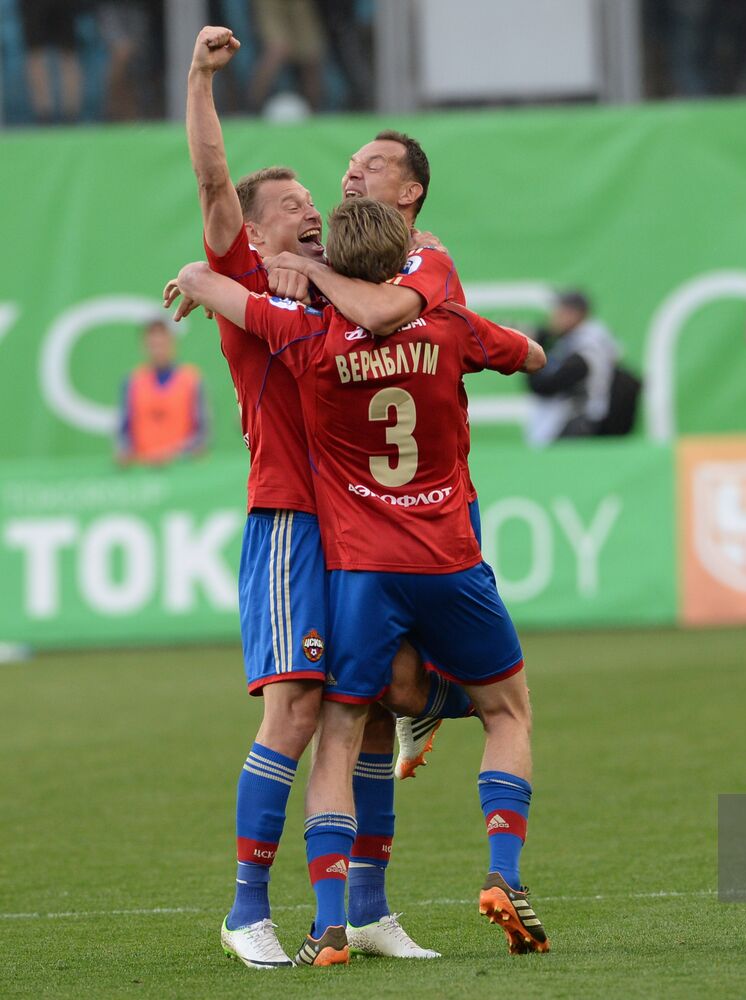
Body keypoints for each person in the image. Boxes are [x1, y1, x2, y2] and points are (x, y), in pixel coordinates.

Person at [175, 195, 550, 966]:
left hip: (361, 570)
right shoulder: (449, 324)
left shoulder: (308, 336)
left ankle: (331, 925)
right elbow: (534, 356)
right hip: (449, 557)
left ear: (337, 262)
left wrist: (215, 274)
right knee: (506, 711)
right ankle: (504, 871)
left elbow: (215, 287)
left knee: (341, 734)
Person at [177, 25, 471, 968]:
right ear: (251, 229)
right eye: (293, 204)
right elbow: (215, 179)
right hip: (293, 522)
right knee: (296, 710)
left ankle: (371, 909)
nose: (314, 209)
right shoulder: (242, 274)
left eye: (318, 198)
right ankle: (244, 909)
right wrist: (198, 81)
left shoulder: (341, 286)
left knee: (379, 700)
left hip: (363, 525)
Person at [260, 128, 477, 779]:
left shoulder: (427, 258)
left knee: (384, 688)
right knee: (364, 694)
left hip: (434, 504)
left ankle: (469, 701)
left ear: (411, 192)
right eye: (350, 165)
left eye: (373, 166)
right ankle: (364, 882)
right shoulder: (341, 262)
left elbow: (381, 314)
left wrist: (310, 270)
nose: (351, 176)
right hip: (355, 505)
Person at [526, 290, 627, 445]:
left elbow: (544, 386)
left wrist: (529, 353)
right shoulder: (588, 339)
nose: (554, 316)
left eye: (560, 310)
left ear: (575, 314)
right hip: (585, 422)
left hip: (579, 425)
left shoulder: (586, 346)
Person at [116, 319, 206, 466]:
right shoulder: (132, 382)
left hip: (181, 471)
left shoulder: (191, 380)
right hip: (144, 473)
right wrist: (125, 453)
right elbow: (123, 431)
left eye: (162, 344)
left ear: (172, 343)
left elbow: (201, 434)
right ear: (144, 346)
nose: (158, 350)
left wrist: (173, 455)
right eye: (153, 345)